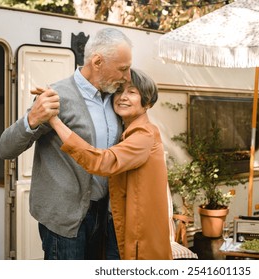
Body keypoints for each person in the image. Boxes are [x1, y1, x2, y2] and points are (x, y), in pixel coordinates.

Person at [0, 27, 132, 260]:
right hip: (64, 219)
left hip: (104, 216)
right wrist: (31, 119)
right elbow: (5, 149)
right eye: (123, 68)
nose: (127, 76)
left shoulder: (115, 98)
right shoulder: (57, 95)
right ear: (97, 61)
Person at [48, 68, 173, 260]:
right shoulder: (124, 130)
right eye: (119, 91)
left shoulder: (144, 134)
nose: (122, 97)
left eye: (131, 92)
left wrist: (55, 122)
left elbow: (103, 162)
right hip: (113, 225)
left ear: (147, 102)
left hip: (136, 234)